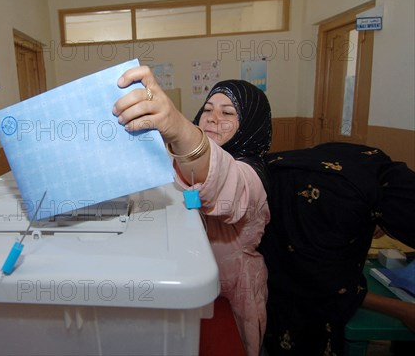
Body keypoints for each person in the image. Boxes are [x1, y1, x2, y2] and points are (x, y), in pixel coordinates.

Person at [114, 66, 272, 356]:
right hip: (189, 285)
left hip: (234, 293)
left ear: (250, 122)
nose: (213, 117)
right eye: (208, 108)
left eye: (228, 113)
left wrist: (178, 126)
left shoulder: (252, 175)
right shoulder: (181, 159)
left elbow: (223, 181)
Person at [260, 142, 415, 355]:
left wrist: (375, 215)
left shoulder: (379, 171)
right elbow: (323, 283)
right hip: (286, 211)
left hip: (287, 188)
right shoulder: (340, 199)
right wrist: (403, 311)